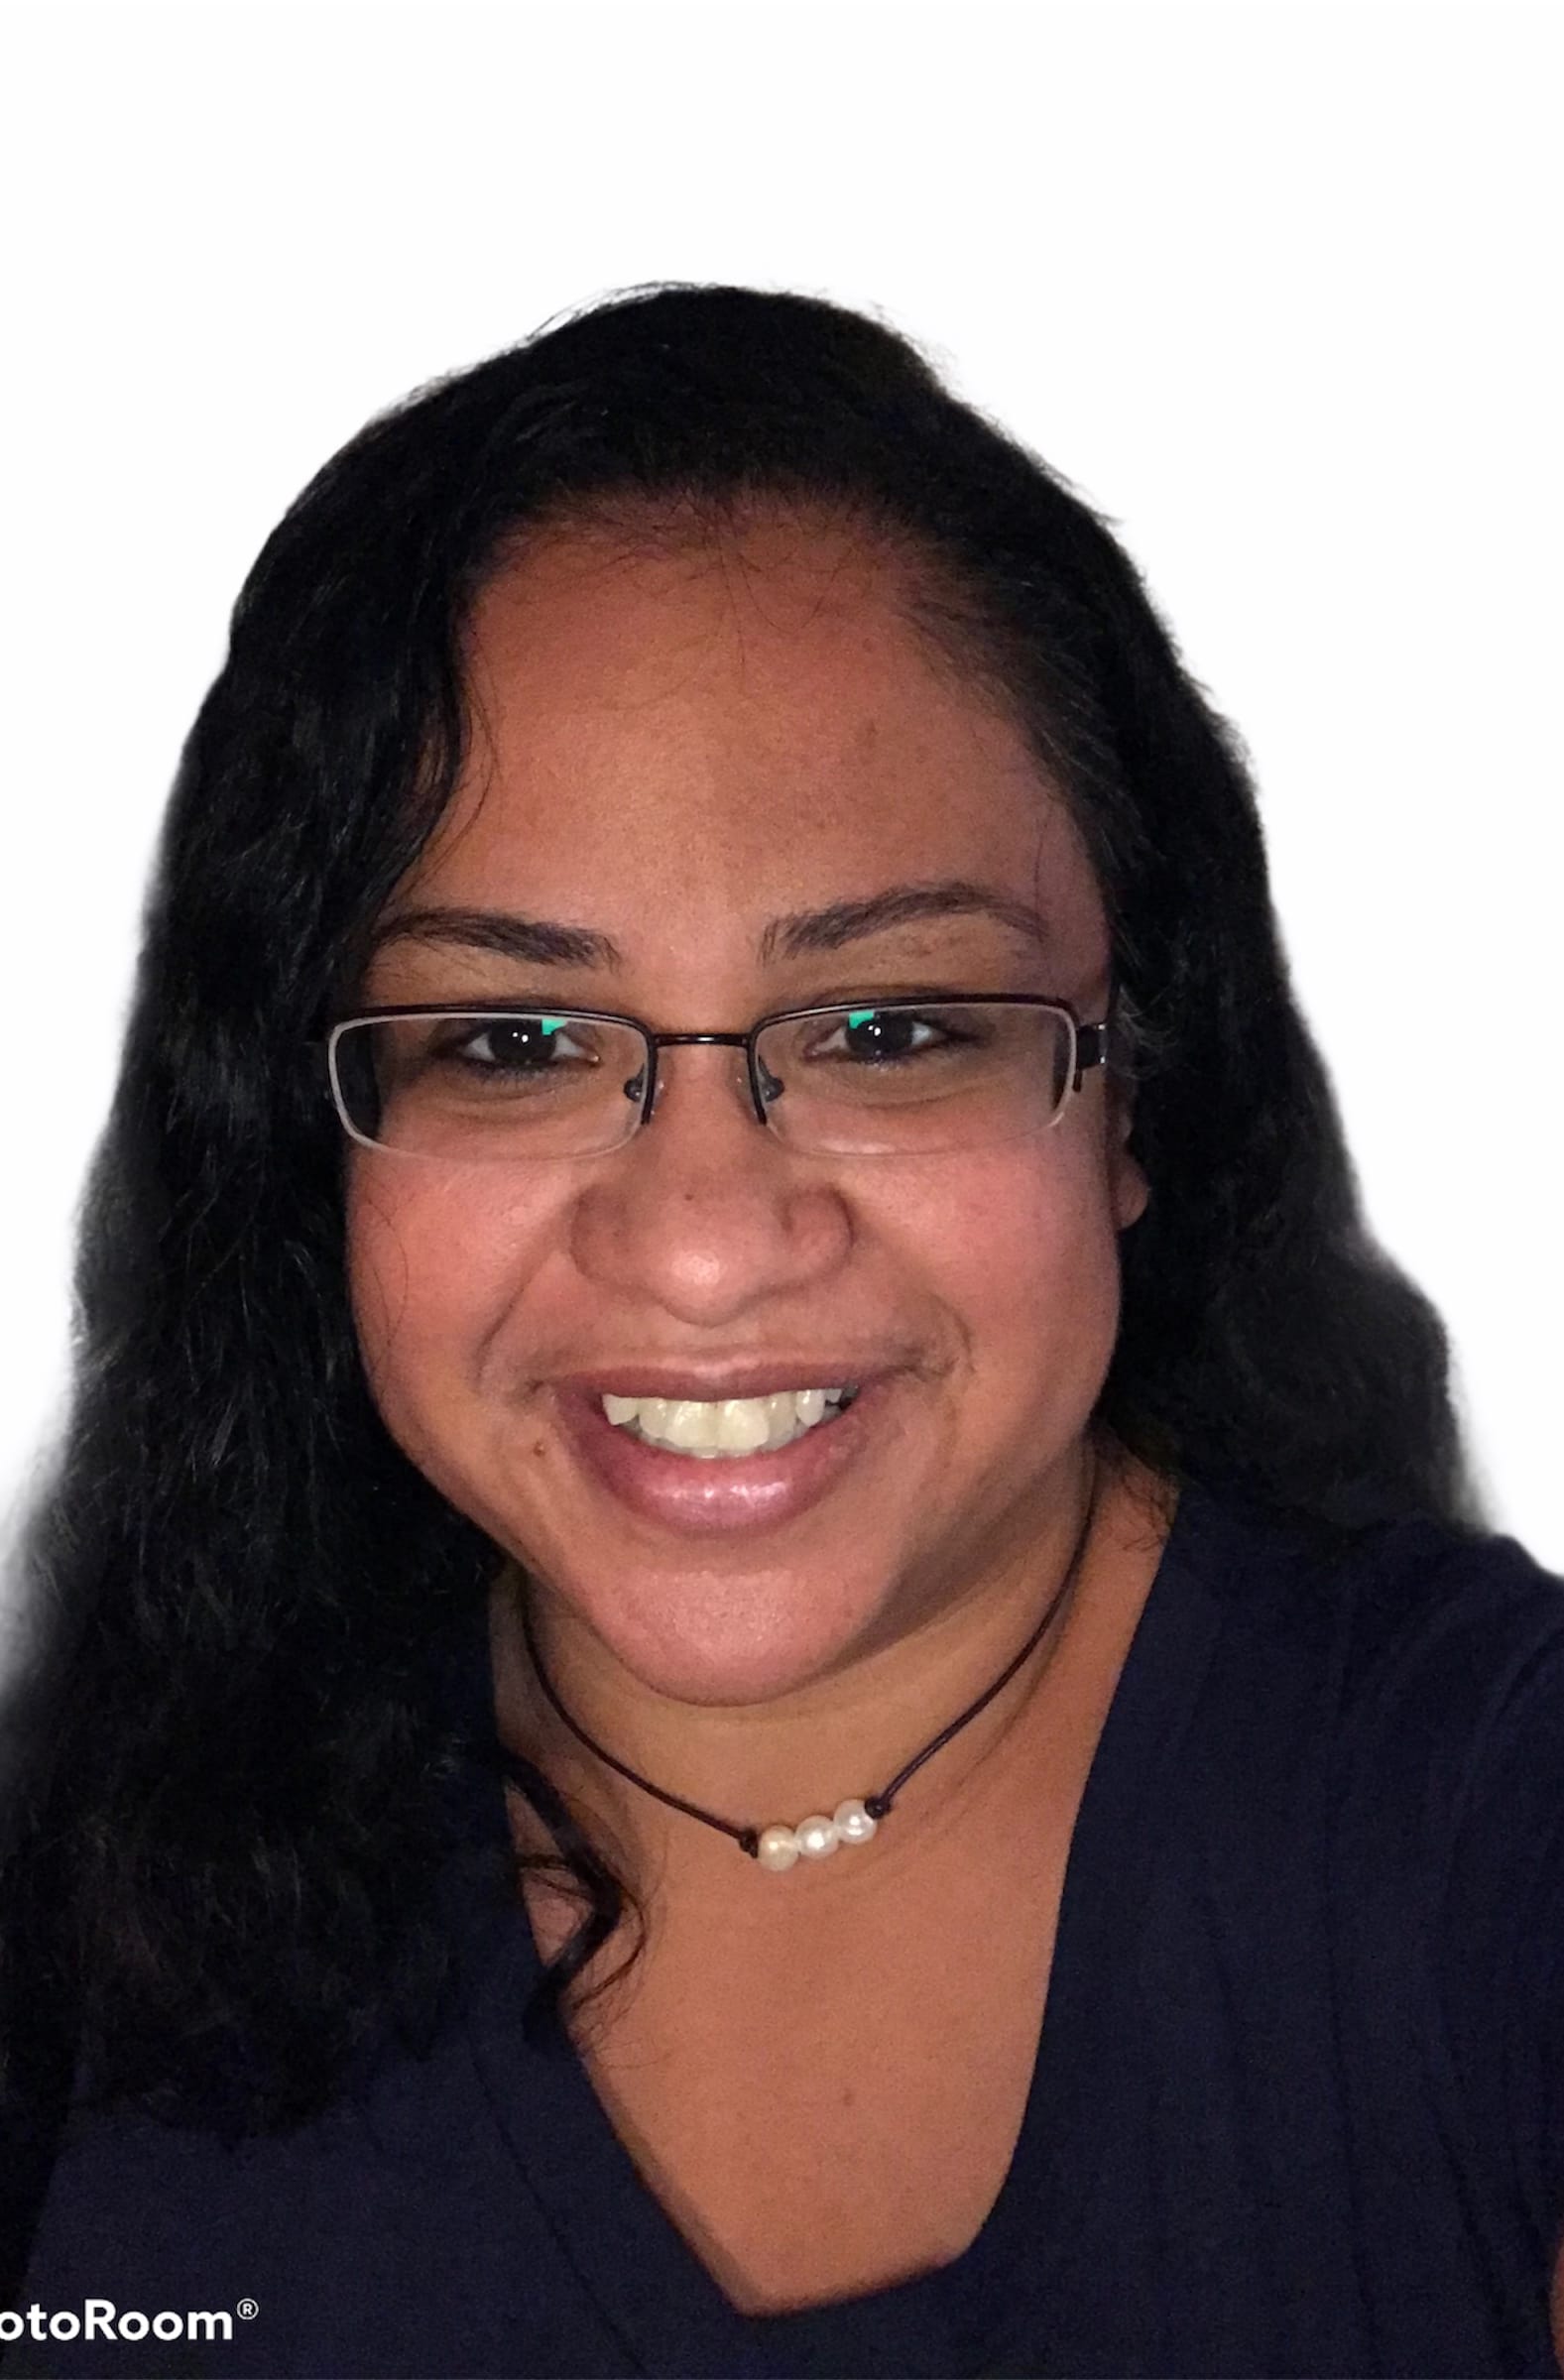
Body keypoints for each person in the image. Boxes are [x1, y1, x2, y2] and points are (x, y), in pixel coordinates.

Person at [0, 281, 1560, 2380]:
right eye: (514, 1040)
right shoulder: (69, 1932)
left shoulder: (1500, 1845)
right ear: (311, 1141)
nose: (710, 1248)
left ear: (1135, 1089)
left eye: (892, 1026)